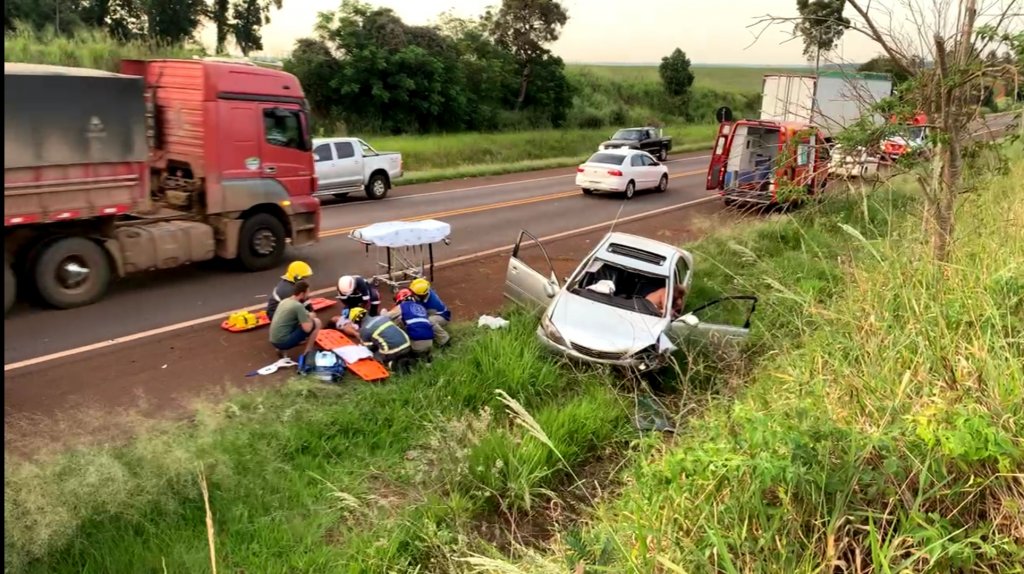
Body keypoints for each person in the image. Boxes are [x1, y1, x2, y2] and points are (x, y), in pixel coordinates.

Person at [347, 306, 412, 370]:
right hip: (407, 343)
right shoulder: (382, 317)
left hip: (393, 351)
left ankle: (393, 365)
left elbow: (369, 348)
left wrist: (362, 342)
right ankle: (408, 358)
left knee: (374, 355)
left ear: (356, 321)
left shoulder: (364, 330)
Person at [269, 280, 321, 357]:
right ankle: (307, 353)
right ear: (302, 294)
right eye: (307, 293)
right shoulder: (298, 306)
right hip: (283, 342)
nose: (308, 295)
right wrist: (310, 318)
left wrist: (307, 316)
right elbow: (307, 329)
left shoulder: (285, 301)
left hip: (273, 339)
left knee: (294, 321)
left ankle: (280, 350)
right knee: (317, 322)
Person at [385, 289, 434, 359]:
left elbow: (386, 317)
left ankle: (407, 358)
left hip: (416, 344)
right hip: (430, 342)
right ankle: (426, 356)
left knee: (396, 322)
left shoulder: (402, 306)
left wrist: (383, 311)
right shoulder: (421, 307)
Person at [409, 278, 450, 347]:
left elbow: (421, 313)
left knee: (429, 321)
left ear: (421, 295)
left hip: (442, 316)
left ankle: (444, 340)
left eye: (414, 293)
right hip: (433, 312)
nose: (412, 294)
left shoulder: (432, 303)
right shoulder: (424, 291)